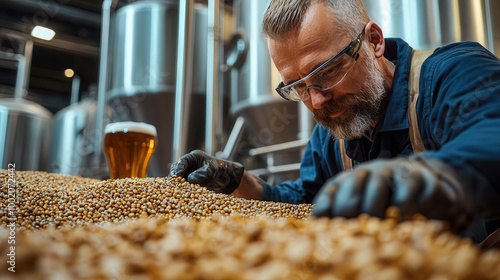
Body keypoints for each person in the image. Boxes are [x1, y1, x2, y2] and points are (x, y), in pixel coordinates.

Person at [170, 0, 500, 243]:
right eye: (298, 87)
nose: (316, 100)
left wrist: (421, 178)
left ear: (374, 41)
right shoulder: (333, 133)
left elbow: (491, 139)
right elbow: (304, 202)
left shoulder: (453, 75)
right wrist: (240, 184)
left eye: (328, 72)